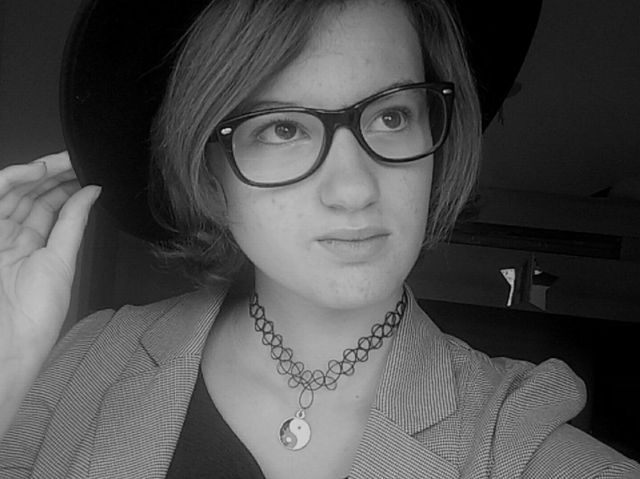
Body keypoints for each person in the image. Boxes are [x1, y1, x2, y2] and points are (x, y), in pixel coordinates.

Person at [0, 0, 638, 477]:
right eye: (283, 129)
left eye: (392, 116)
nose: (354, 188)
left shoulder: (514, 437)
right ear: (209, 168)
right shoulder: (82, 364)